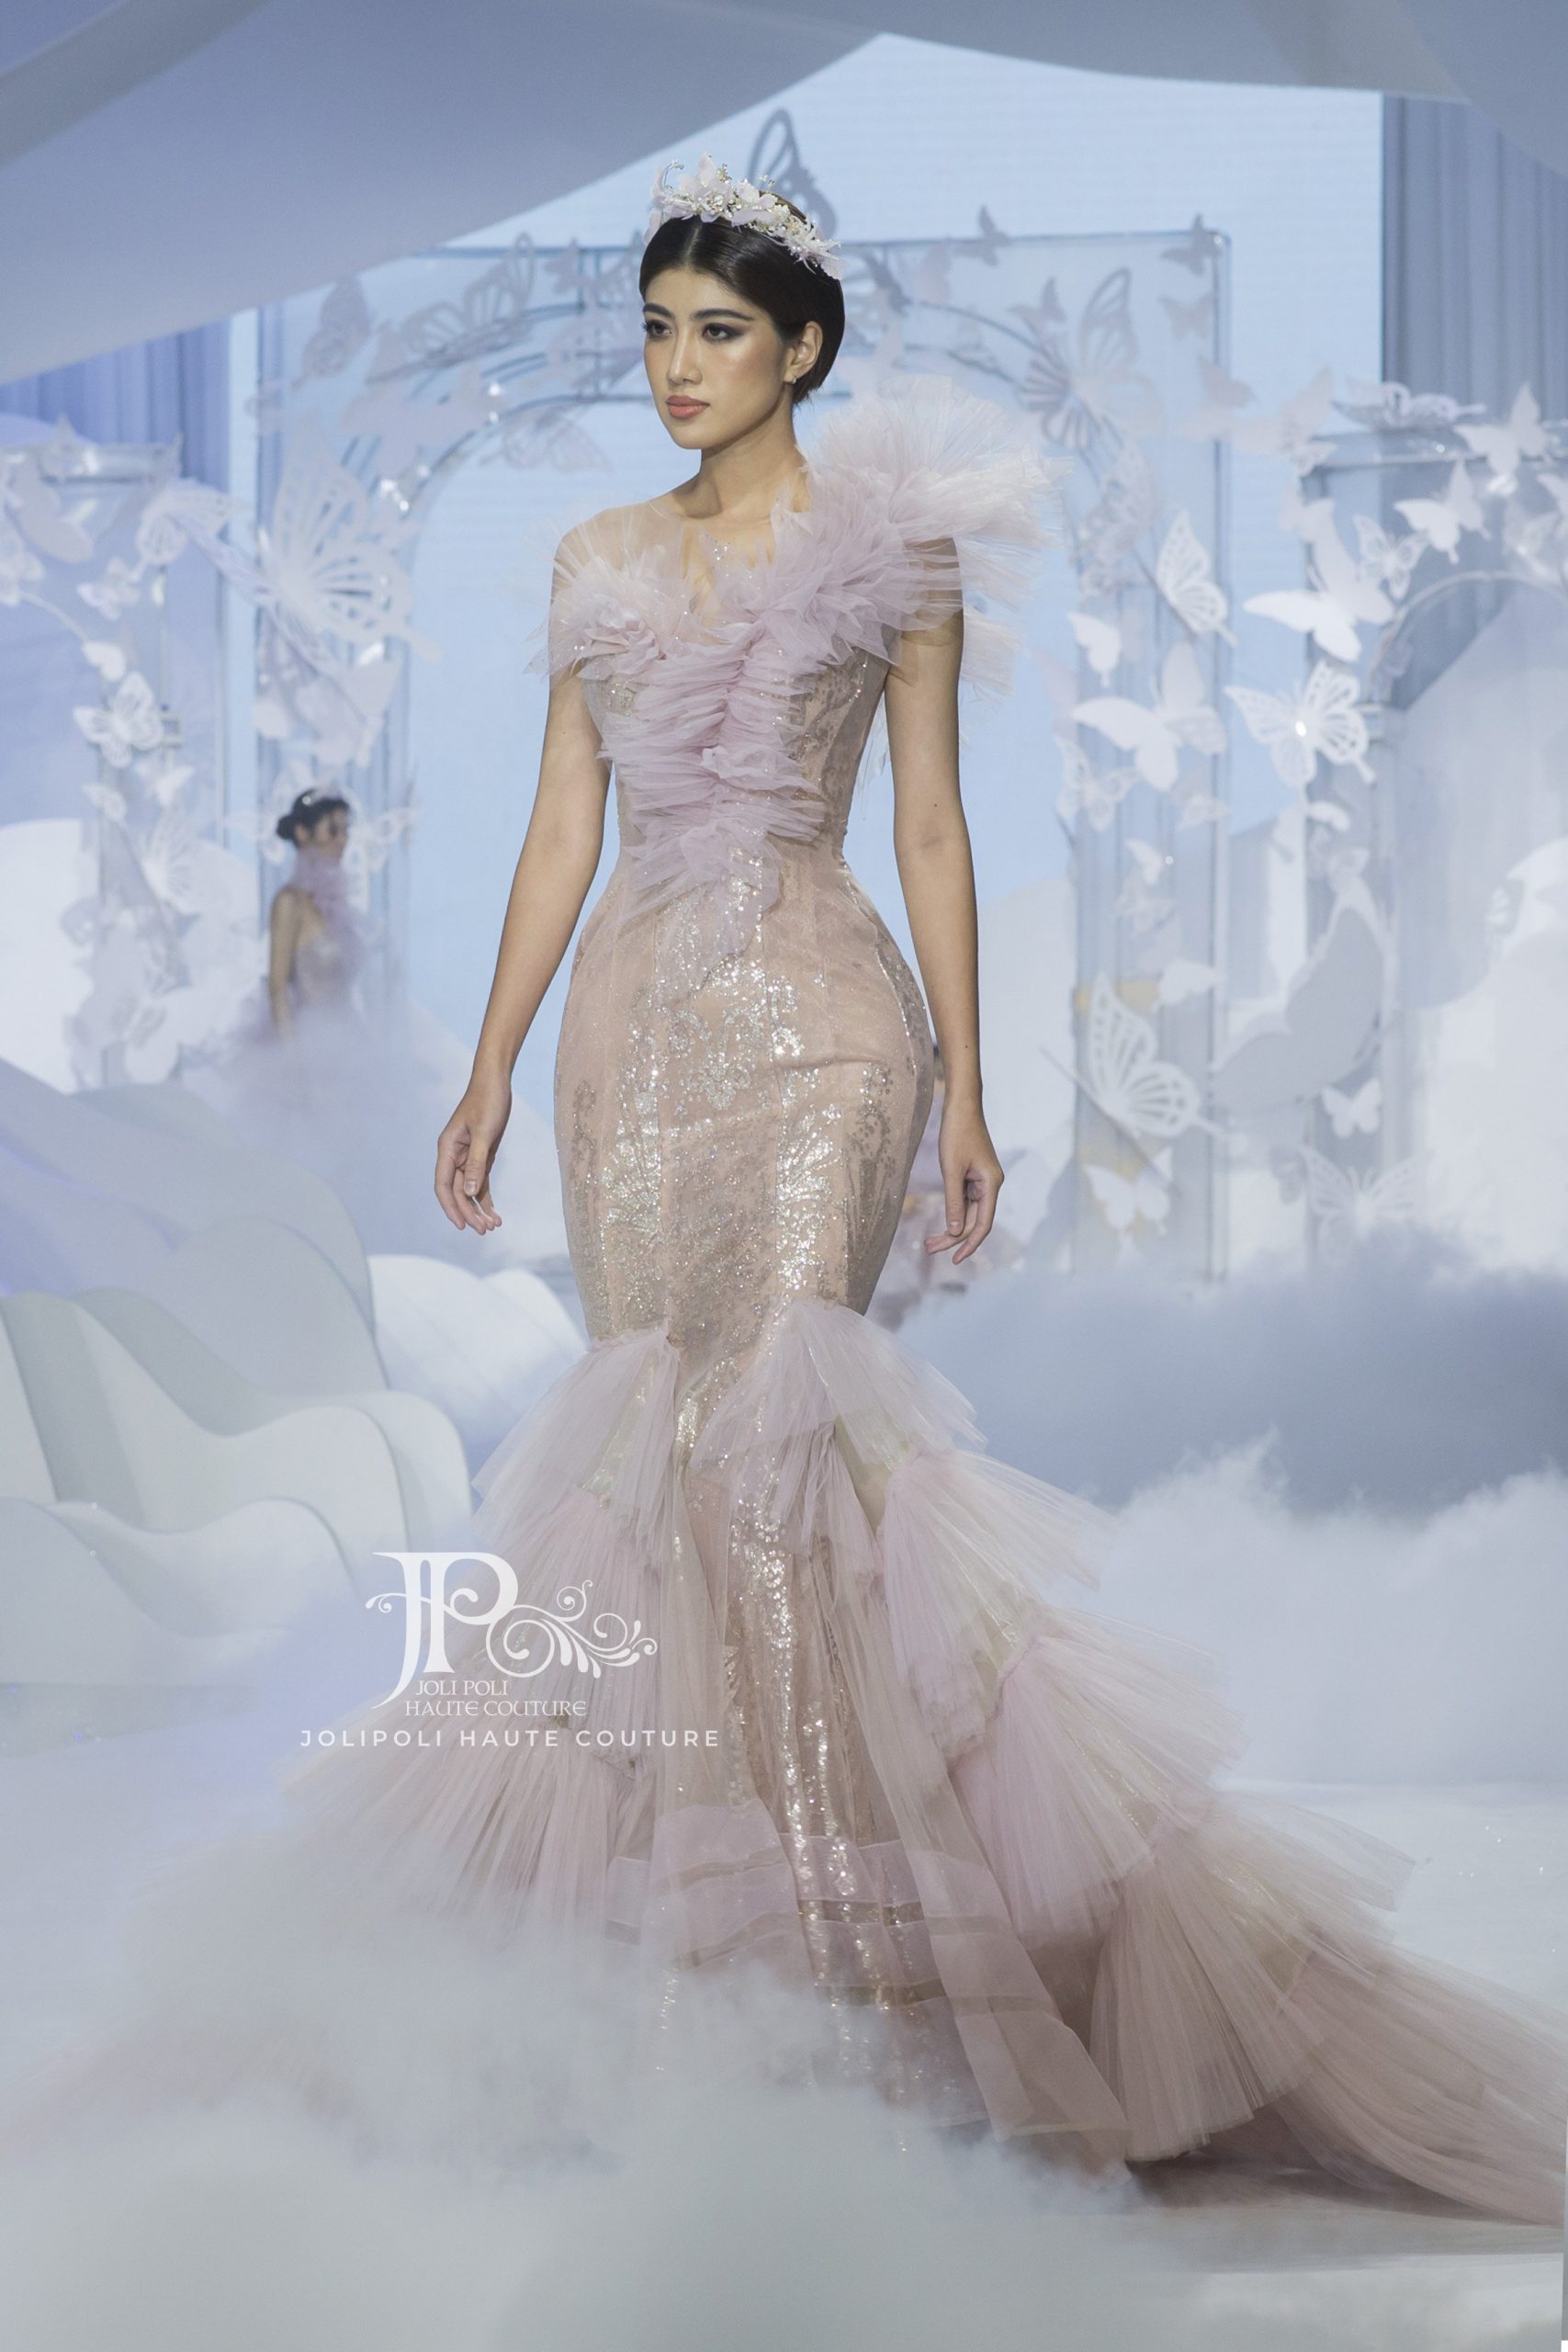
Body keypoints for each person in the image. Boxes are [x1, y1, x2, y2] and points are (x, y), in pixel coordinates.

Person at [283, 157, 1568, 2219]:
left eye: (718, 331)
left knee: (788, 1457)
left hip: (822, 1025)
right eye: (654, 330)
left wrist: (967, 1085)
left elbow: (937, 830)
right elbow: (556, 832)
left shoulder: (899, 555)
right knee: (655, 1466)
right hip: (631, 1041)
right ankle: (665, 1992)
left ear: (801, 348)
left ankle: (856, 1997)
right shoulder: (600, 558)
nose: (676, 366)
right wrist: (493, 1059)